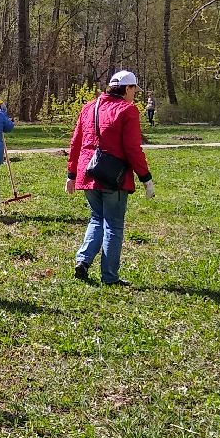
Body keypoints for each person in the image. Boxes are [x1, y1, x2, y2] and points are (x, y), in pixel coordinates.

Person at [65, 70, 154, 286]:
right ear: (127, 88)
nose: (135, 95)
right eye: (134, 90)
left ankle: (83, 260)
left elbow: (76, 142)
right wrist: (146, 178)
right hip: (113, 176)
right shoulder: (128, 110)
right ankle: (110, 277)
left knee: (97, 218)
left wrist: (71, 174)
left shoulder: (89, 107)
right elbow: (132, 148)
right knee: (113, 225)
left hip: (88, 173)